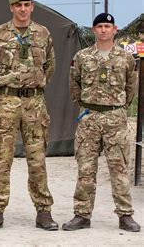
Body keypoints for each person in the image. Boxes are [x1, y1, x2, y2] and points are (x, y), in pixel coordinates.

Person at [0, 0, 58, 231]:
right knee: (2, 159)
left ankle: (43, 211)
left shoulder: (43, 34)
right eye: (18, 5)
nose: (23, 9)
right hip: (7, 103)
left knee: (37, 160)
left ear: (32, 7)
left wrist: (33, 86)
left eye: (27, 5)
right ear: (11, 8)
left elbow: (50, 67)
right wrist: (6, 90)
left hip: (34, 104)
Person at [63, 13, 141, 232]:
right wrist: (89, 106)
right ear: (94, 29)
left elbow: (130, 89)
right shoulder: (82, 57)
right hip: (89, 117)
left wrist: (116, 107)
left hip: (115, 118)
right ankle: (82, 215)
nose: (104, 30)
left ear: (115, 29)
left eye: (108, 26)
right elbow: (74, 86)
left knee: (119, 168)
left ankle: (125, 216)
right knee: (86, 168)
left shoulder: (125, 58)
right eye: (100, 26)